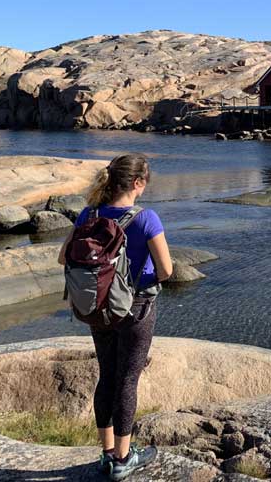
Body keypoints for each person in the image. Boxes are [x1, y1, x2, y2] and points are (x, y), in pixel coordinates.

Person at [58, 154, 173, 480]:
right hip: (136, 308)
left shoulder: (88, 213)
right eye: (145, 183)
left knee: (106, 374)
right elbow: (166, 270)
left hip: (98, 308)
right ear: (137, 183)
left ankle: (107, 454)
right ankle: (124, 459)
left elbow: (61, 257)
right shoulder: (145, 218)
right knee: (127, 379)